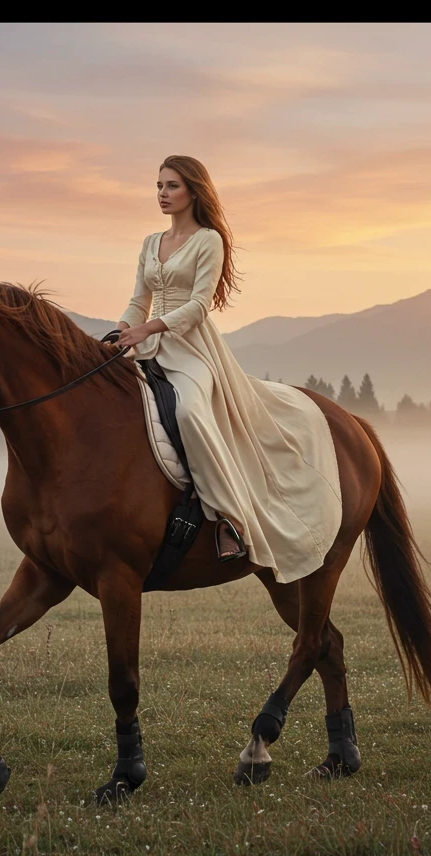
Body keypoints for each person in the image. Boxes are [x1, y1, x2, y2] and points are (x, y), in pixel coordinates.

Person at [116, 155, 342, 582]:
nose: (162, 194)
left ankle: (228, 519)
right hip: (144, 343)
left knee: (189, 412)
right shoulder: (150, 242)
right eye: (159, 186)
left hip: (191, 349)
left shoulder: (209, 241)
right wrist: (122, 329)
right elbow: (137, 298)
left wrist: (149, 327)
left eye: (172, 186)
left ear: (193, 191)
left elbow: (199, 306)